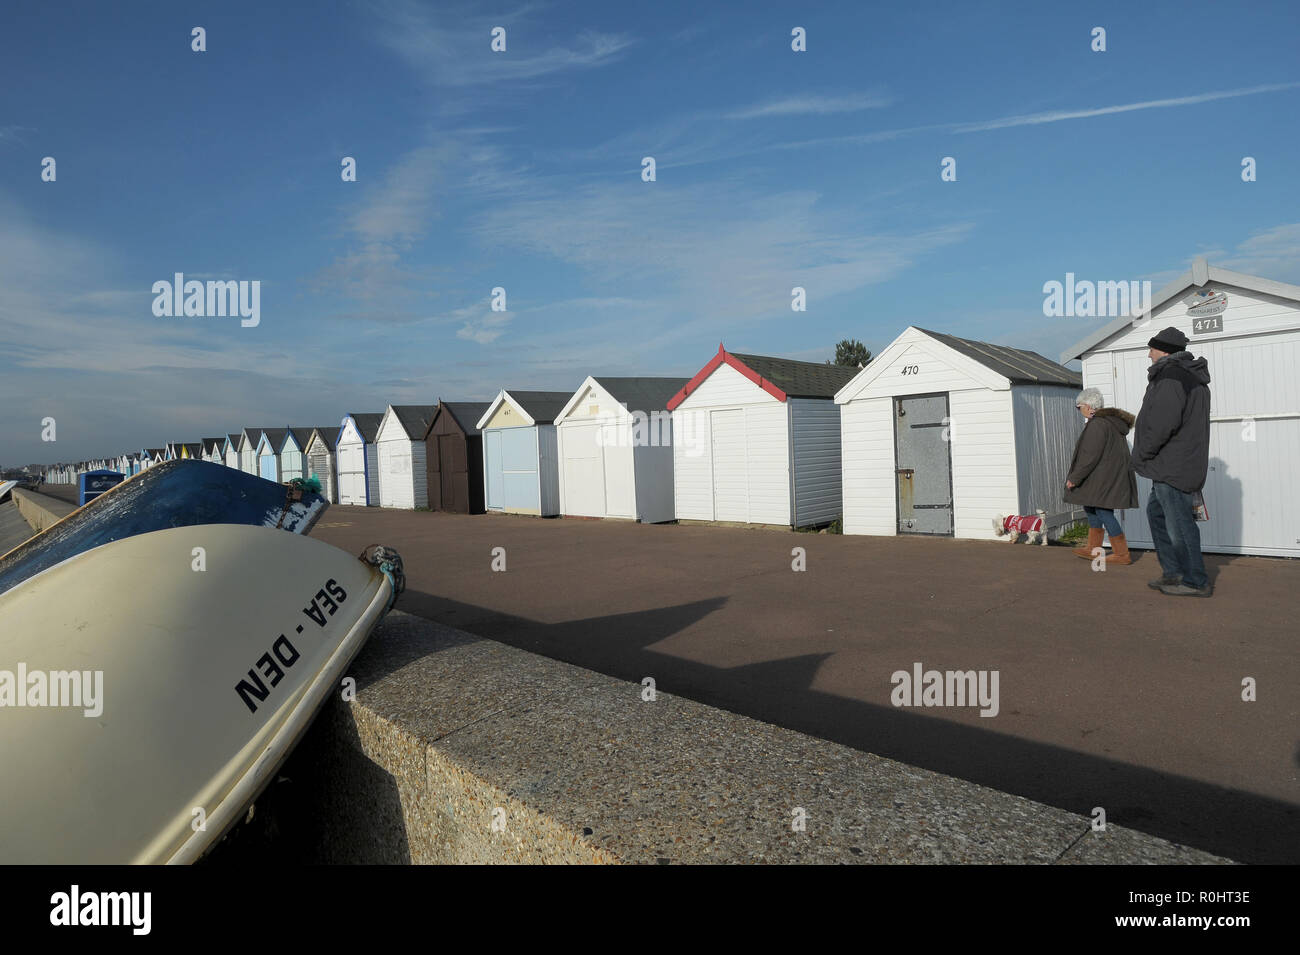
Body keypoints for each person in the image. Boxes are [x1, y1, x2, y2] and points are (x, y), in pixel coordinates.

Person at [1131, 326, 1212, 596]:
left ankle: (1195, 581)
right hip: (1175, 463)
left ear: (1164, 351)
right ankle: (1174, 572)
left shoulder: (1172, 377)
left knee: (1179, 524)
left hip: (1172, 465)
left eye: (1151, 349)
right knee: (1157, 515)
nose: (1149, 355)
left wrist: (1142, 454)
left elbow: (1162, 423)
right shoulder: (1187, 376)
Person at [1064, 388, 1138, 564]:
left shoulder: (1098, 424)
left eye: (1079, 406)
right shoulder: (1109, 423)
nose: (1079, 410)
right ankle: (1094, 548)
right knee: (1091, 508)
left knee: (1104, 512)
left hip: (1102, 479)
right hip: (1105, 477)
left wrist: (1075, 477)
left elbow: (1090, 455)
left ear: (1089, 407)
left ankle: (1122, 554)